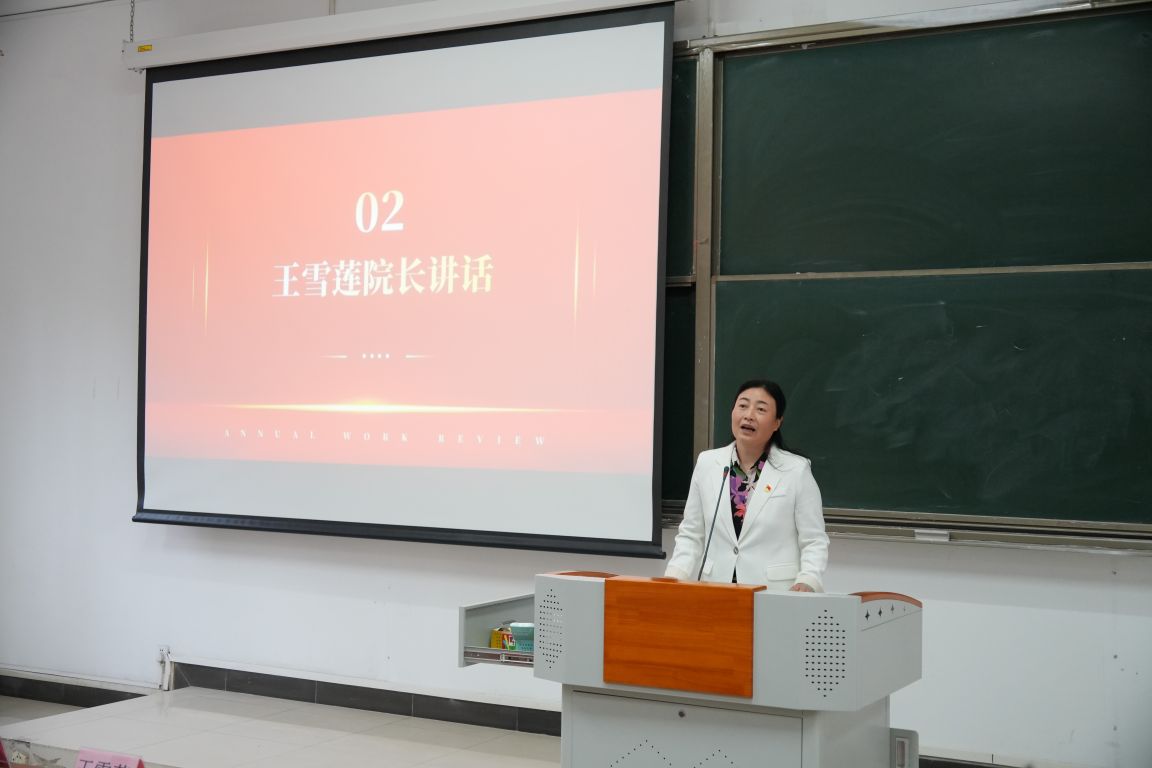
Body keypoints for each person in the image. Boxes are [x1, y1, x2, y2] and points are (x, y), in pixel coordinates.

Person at [664, 379, 829, 591]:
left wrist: (808, 580)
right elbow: (691, 534)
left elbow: (814, 540)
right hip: (716, 588)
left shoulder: (796, 470)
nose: (749, 415)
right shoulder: (708, 463)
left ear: (777, 422)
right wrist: (673, 578)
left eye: (761, 409)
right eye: (743, 405)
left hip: (774, 591)